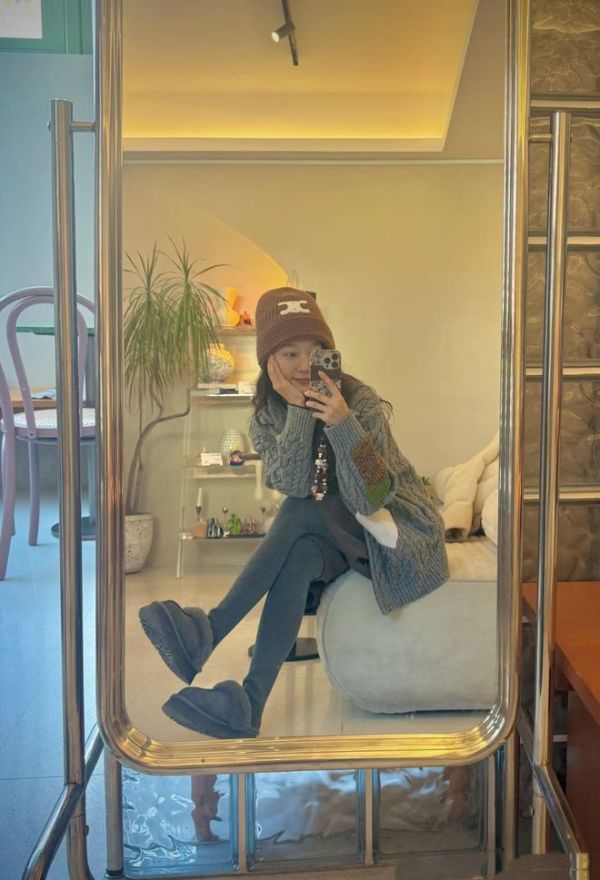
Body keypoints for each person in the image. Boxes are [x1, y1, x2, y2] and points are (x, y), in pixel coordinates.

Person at [139, 287, 449, 739]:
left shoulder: (358, 401)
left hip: (395, 532)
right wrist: (299, 413)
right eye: (290, 353)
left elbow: (372, 498)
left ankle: (209, 630)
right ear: (270, 361)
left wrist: (342, 423)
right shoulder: (267, 415)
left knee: (303, 509)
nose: (305, 365)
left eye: (316, 351)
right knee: (300, 552)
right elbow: (293, 482)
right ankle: (249, 704)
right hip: (339, 535)